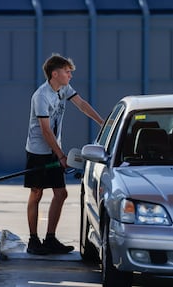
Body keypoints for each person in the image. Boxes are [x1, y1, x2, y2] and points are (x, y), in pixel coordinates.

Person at [24, 53, 103, 255]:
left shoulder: (64, 89)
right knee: (36, 193)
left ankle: (50, 239)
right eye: (67, 72)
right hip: (39, 152)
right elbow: (45, 131)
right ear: (55, 73)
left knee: (61, 193)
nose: (70, 76)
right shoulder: (41, 96)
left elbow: (82, 104)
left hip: (54, 149)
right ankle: (33, 241)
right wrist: (61, 155)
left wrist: (103, 123)